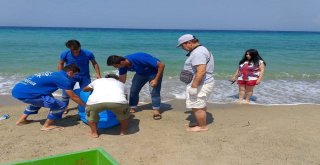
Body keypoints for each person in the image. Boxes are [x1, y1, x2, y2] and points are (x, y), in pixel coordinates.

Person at [12, 64, 86, 131]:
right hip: (27, 94)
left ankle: (22, 120)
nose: (74, 77)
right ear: (70, 72)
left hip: (17, 90)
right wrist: (86, 105)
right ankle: (47, 125)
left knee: (39, 101)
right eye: (74, 75)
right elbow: (73, 96)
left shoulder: (54, 73)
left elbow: (43, 87)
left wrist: (51, 100)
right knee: (61, 105)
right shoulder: (64, 80)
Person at [106, 52, 165, 120]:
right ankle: (132, 106)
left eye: (116, 66)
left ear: (122, 62)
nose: (116, 68)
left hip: (154, 72)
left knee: (154, 91)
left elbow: (161, 65)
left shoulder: (139, 58)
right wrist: (116, 91)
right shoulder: (122, 66)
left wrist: (156, 80)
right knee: (134, 90)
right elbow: (122, 81)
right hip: (141, 73)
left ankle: (156, 109)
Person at [177, 34, 215, 132]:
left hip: (201, 84)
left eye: (182, 45)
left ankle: (202, 127)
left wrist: (194, 86)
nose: (182, 48)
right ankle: (200, 122)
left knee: (197, 106)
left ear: (189, 42)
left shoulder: (198, 52)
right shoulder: (200, 50)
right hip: (202, 83)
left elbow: (201, 71)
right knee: (199, 105)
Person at [57, 39, 101, 112]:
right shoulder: (65, 53)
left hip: (84, 76)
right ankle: (64, 107)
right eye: (73, 50)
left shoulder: (88, 53)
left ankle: (85, 106)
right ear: (69, 48)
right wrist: (61, 75)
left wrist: (98, 74)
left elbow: (94, 63)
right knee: (66, 93)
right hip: (70, 76)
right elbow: (61, 64)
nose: (76, 51)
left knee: (86, 92)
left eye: (77, 48)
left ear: (80, 46)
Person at [83, 74, 130, 138]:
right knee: (124, 115)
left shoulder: (98, 81)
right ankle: (123, 131)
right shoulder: (122, 84)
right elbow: (126, 98)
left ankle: (94, 133)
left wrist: (92, 89)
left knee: (91, 117)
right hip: (118, 101)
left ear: (105, 78)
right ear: (117, 79)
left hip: (94, 102)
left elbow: (85, 89)